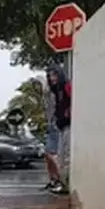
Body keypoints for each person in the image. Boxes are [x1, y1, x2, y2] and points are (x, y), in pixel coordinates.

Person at [46, 65, 71, 195]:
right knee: (60, 156)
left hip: (68, 125)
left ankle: (65, 184)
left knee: (65, 156)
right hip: (61, 126)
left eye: (54, 75)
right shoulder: (56, 91)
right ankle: (62, 182)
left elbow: (74, 99)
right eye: (50, 76)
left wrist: (68, 112)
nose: (52, 78)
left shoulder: (66, 86)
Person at [41, 83, 61, 190]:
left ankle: (60, 178)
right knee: (47, 155)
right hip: (50, 125)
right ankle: (53, 180)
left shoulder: (52, 94)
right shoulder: (46, 97)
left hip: (55, 125)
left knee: (51, 154)